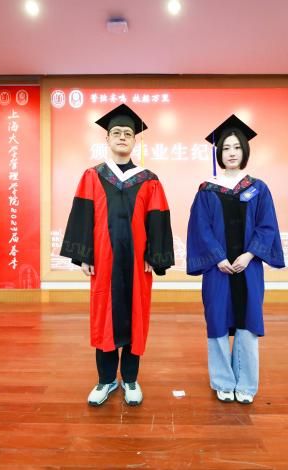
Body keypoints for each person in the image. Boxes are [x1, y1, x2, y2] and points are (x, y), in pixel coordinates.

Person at [60, 104, 174, 406]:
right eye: (116, 133)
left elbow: (158, 218)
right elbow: (83, 214)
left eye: (127, 133)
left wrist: (154, 255)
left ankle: (131, 379)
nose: (122, 137)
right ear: (107, 139)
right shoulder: (93, 176)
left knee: (136, 315)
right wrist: (84, 254)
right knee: (104, 316)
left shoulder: (148, 179)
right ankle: (106, 380)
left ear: (135, 140)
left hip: (137, 263)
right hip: (105, 260)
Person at [186, 114, 285, 404]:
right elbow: (200, 228)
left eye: (237, 147)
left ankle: (246, 384)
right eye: (226, 148)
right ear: (219, 152)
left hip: (248, 267)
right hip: (218, 270)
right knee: (217, 321)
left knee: (248, 320)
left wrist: (249, 254)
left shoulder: (258, 188)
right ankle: (222, 381)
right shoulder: (207, 189)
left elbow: (267, 225)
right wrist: (218, 258)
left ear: (245, 151)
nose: (231, 152)